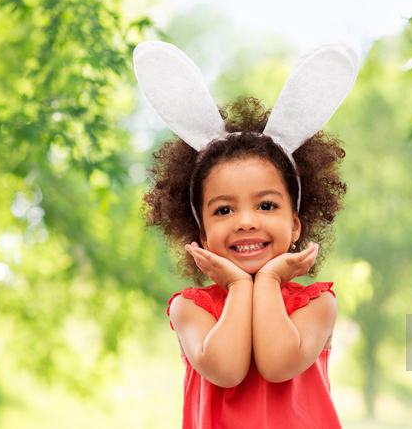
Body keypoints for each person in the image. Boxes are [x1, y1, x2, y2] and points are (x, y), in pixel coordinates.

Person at [134, 41, 358, 428]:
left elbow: (277, 364)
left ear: (295, 226)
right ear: (201, 235)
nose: (246, 221)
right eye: (224, 210)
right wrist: (239, 286)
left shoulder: (316, 305)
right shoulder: (190, 309)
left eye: (266, 205)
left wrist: (268, 280)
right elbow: (227, 370)